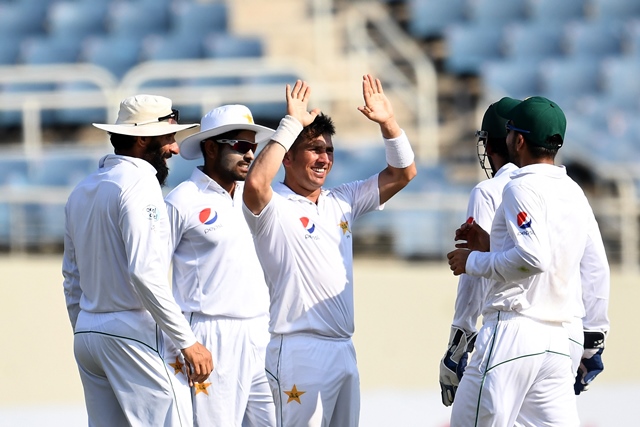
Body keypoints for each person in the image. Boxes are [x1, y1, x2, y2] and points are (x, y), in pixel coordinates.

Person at [242, 75, 417, 426]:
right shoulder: (274, 206)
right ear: (288, 157)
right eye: (315, 149)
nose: (324, 159)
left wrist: (388, 123)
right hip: (297, 350)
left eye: (329, 150)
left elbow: (403, 174)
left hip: (343, 347)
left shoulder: (343, 200)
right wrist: (291, 123)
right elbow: (256, 183)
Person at [446, 96, 606, 426]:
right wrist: (489, 245)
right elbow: (585, 264)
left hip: (514, 332)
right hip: (559, 339)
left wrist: (472, 260)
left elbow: (533, 258)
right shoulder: (573, 190)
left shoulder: (519, 187)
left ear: (518, 140)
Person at [62, 94, 213, 427]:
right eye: (169, 137)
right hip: (131, 332)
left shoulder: (82, 189)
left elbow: (71, 279)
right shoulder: (140, 183)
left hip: (89, 332)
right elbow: (145, 272)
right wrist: (187, 341)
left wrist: (87, 329)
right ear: (143, 138)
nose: (174, 149)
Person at [165, 104, 277, 426]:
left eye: (253, 147)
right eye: (241, 146)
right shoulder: (182, 200)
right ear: (211, 148)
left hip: (260, 331)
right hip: (209, 336)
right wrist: (184, 340)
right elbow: (149, 274)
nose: (250, 155)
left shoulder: (254, 197)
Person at [439, 102, 517, 406]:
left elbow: (475, 273)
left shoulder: (489, 191)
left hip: (508, 332)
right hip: (563, 334)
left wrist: (459, 341)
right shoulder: (565, 190)